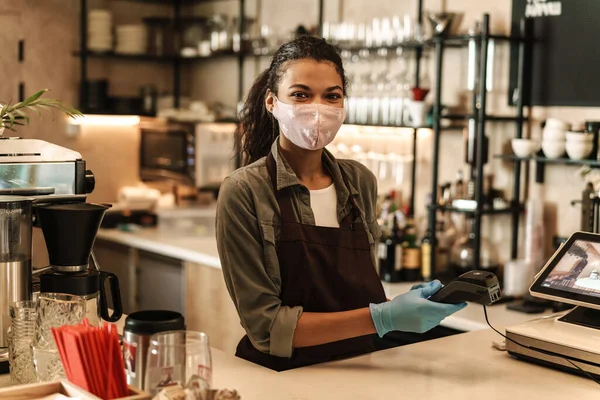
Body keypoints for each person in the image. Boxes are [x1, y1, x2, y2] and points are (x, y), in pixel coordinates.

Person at [216, 35, 466, 371]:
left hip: (360, 368)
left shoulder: (360, 181)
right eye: (301, 95)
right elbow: (267, 328)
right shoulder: (244, 191)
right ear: (272, 102)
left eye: (331, 96)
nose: (318, 108)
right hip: (280, 377)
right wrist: (384, 317)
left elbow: (353, 299)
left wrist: (402, 307)